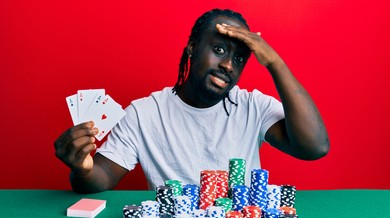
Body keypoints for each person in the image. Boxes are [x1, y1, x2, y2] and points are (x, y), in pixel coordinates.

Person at [54, 9, 329, 193]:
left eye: (240, 59)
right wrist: (82, 168)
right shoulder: (145, 113)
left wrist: (274, 62)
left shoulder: (253, 107)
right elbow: (100, 176)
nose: (229, 66)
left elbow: (314, 147)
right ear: (192, 48)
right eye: (219, 50)